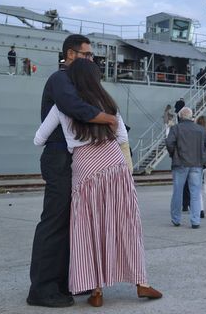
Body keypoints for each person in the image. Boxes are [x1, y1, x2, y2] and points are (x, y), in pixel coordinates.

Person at [33, 58, 161, 307]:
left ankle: (97, 291)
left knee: (88, 229)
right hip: (114, 164)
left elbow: (38, 139)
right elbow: (122, 136)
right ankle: (141, 283)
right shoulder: (108, 105)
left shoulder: (63, 107)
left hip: (85, 168)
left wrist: (66, 139)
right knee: (125, 223)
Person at [27, 34, 119, 309]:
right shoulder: (61, 79)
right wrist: (108, 118)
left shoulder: (78, 81)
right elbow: (73, 107)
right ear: (70, 54)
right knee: (55, 221)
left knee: (75, 222)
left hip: (77, 158)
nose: (90, 60)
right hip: (58, 157)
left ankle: (67, 281)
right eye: (86, 55)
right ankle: (41, 289)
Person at [166, 107, 206, 229]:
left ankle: (176, 219)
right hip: (196, 164)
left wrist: (174, 154)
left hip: (180, 163)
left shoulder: (175, 128)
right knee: (195, 193)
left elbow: (169, 143)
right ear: (191, 117)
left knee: (177, 192)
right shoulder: (201, 130)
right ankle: (195, 221)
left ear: (180, 116)